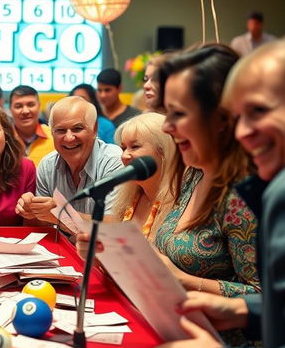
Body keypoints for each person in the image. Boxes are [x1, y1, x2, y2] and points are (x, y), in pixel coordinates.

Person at [135, 30, 285, 348]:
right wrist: (245, 310)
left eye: (260, 112)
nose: (243, 131)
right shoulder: (196, 176)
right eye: (239, 116)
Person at [153, 44, 259, 298]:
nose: (166, 126)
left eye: (178, 114)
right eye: (166, 113)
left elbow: (264, 298)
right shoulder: (194, 173)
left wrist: (183, 280)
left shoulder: (244, 193)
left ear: (222, 117)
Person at [17, 96, 123, 225]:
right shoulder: (47, 165)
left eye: (77, 129)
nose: (69, 138)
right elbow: (41, 226)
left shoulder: (113, 161)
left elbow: (114, 226)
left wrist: (61, 215)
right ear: (51, 132)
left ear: (94, 129)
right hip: (61, 244)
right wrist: (31, 209)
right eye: (60, 130)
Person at [109, 112, 176, 240]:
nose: (124, 156)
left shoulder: (182, 203)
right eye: (123, 148)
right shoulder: (128, 196)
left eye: (135, 147)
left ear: (163, 151)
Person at [9, 85, 55, 166]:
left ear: (39, 106)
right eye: (18, 106)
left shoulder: (54, 137)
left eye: (30, 105)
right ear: (10, 109)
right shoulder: (4, 139)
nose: (25, 111)